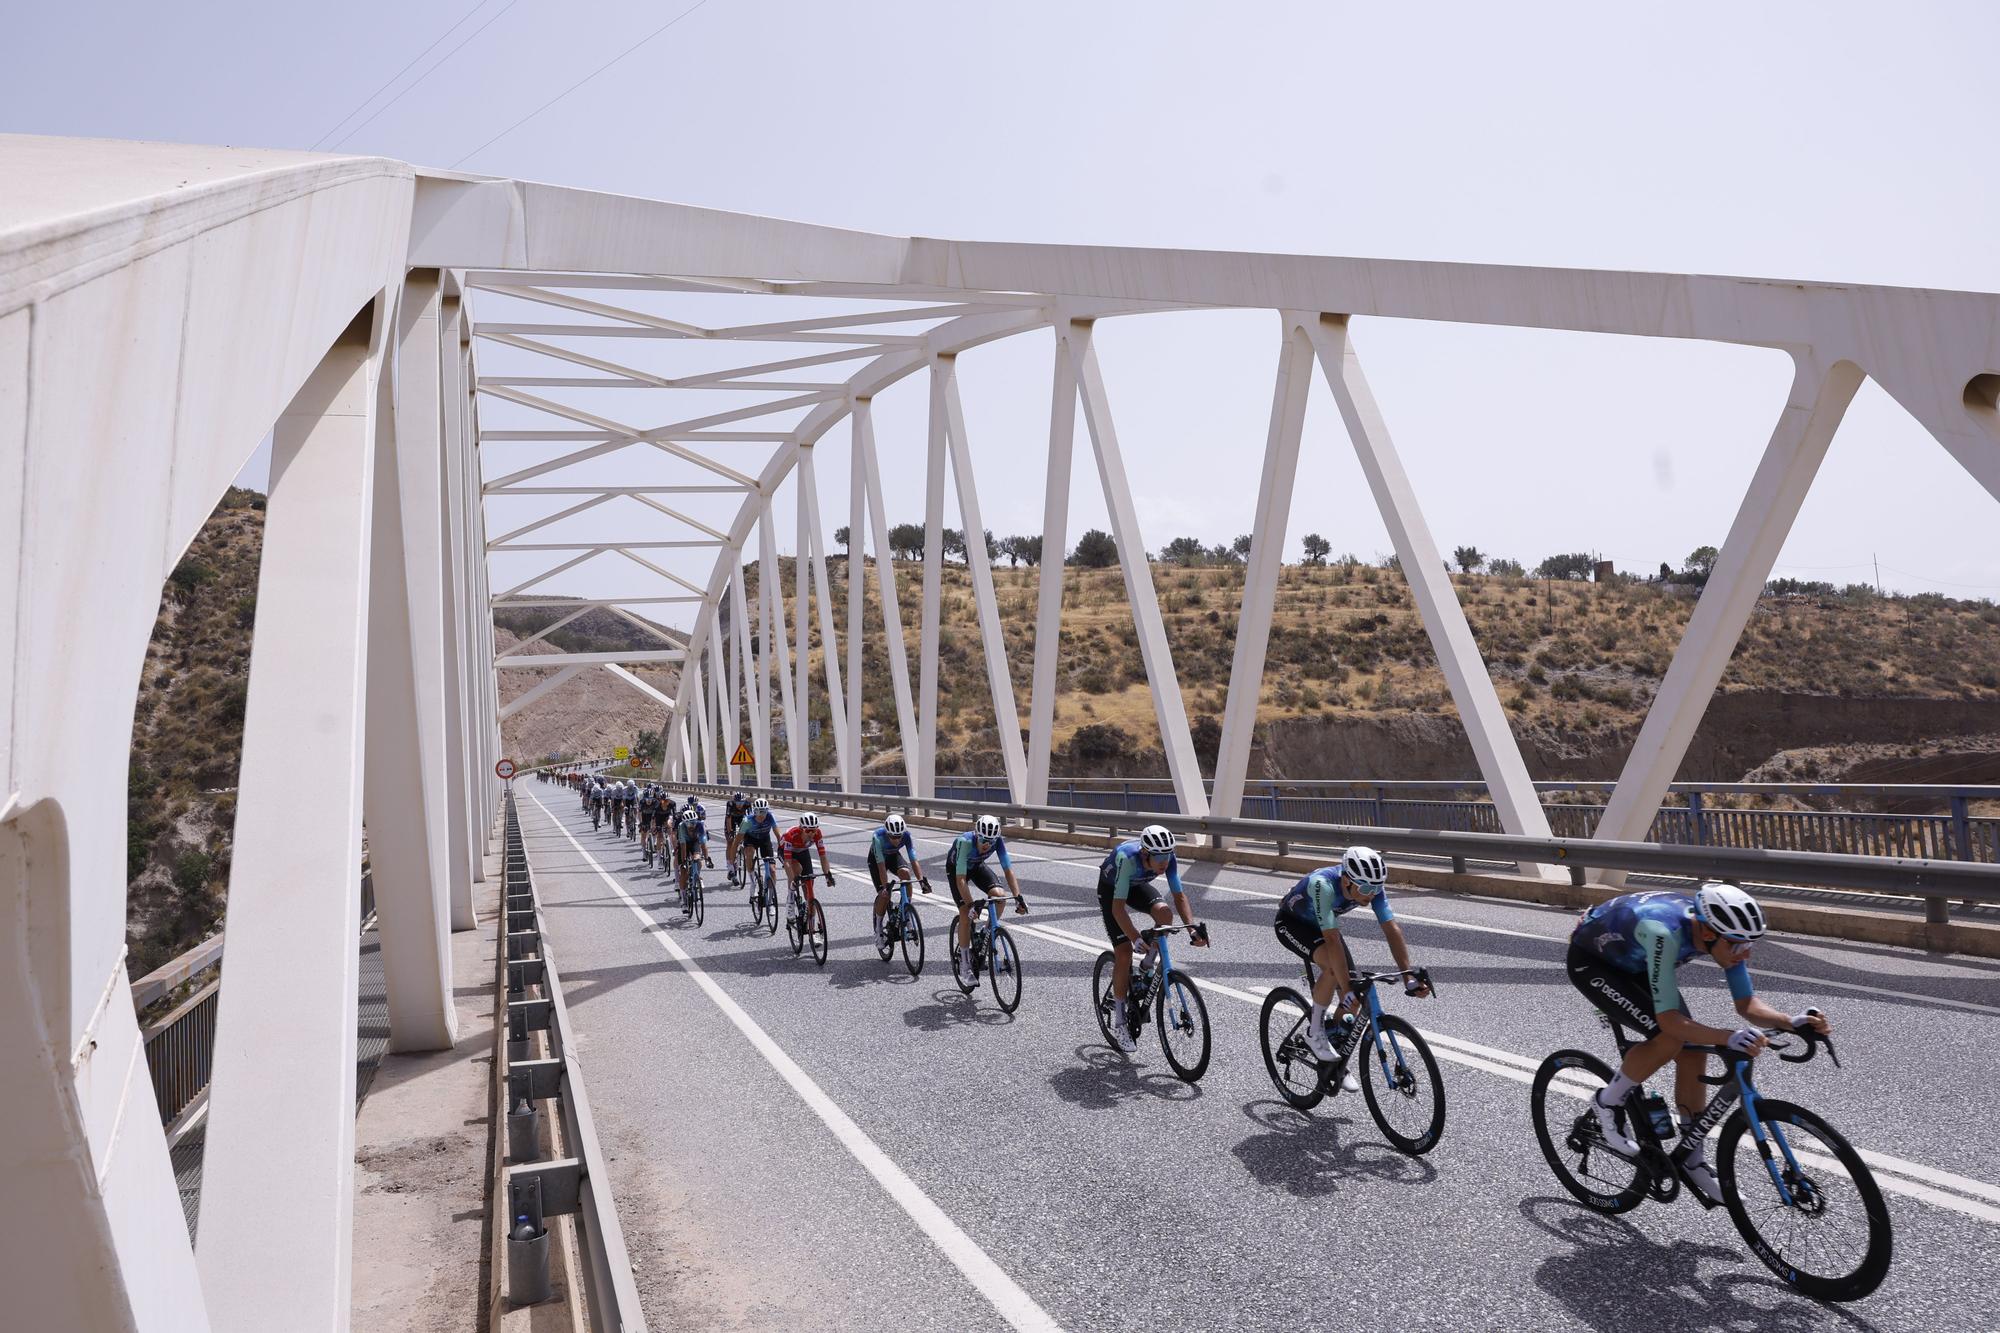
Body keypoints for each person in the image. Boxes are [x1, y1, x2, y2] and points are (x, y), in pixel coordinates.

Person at [1568, 884, 1829, 1204]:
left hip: (1638, 964)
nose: (1744, 953)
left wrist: (1791, 1021)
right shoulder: (1664, 933)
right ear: (1707, 933)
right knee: (1670, 1037)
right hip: (1595, 963)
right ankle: (1607, 1102)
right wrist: (1726, 1037)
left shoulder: (1724, 933)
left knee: (1693, 1053)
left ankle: (1693, 1161)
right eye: (1736, 945)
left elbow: (1747, 1004)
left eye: (1749, 944)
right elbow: (1669, 1023)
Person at [1273, 846, 1430, 1091]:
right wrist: (1346, 988)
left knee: (1353, 1000)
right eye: (1366, 889)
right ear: (1346, 880)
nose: (1371, 894)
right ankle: (1315, 1033)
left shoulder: (1371, 886)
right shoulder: (1322, 884)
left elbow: (1391, 928)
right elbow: (1332, 941)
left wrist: (1408, 975)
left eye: (1376, 888)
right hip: (1293, 924)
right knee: (1337, 975)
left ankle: (1334, 1063)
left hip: (1327, 926)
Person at [1098, 824, 1204, 1051]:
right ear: (1146, 853)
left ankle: (1147, 966)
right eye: (1159, 856)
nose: (1164, 861)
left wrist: (1192, 929)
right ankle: (1119, 1023)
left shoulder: (1169, 859)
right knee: (1124, 952)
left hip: (1136, 885)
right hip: (1111, 890)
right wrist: (1135, 937)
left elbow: (1179, 895)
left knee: (1165, 914)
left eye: (1167, 854)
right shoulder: (1128, 859)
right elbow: (1118, 910)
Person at [945, 815, 1027, 988]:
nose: (986, 845)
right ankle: (965, 965)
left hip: (976, 866)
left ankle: (986, 931)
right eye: (983, 840)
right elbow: (960, 880)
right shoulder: (965, 842)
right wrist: (970, 906)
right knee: (966, 916)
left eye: (991, 841)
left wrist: (1018, 897)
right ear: (976, 834)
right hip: (957, 871)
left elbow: (1008, 869)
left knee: (999, 896)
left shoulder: (997, 842)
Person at [867, 813, 929, 950]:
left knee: (906, 875)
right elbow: (881, 866)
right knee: (885, 894)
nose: (896, 840)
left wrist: (921, 881)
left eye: (899, 836)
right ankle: (878, 929)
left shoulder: (906, 835)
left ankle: (906, 910)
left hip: (893, 856)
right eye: (893, 837)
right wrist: (885, 887)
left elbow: (913, 859)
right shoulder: (878, 836)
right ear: (887, 833)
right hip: (878, 860)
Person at [777, 812, 833, 902]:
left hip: (802, 851)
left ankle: (811, 913)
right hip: (786, 852)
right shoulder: (791, 834)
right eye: (808, 831)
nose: (811, 834)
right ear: (801, 829)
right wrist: (793, 882)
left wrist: (828, 875)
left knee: (809, 888)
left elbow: (823, 856)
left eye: (813, 830)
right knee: (797, 869)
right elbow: (787, 862)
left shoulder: (818, 834)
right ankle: (790, 899)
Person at [736, 797, 781, 903]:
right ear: (754, 811)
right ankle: (752, 881)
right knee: (749, 853)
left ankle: (770, 899)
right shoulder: (748, 820)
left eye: (764, 811)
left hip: (764, 839)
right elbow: (739, 838)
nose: (761, 815)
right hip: (751, 839)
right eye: (758, 812)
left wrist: (782, 849)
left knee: (772, 870)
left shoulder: (770, 817)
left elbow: (778, 834)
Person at [673, 807, 712, 914]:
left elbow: (703, 845)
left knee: (697, 859)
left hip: (694, 842)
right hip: (684, 844)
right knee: (684, 872)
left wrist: (707, 858)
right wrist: (684, 861)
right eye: (689, 824)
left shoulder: (700, 825)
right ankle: (684, 899)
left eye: (693, 823)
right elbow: (683, 845)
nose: (691, 826)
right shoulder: (681, 827)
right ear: (684, 823)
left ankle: (697, 876)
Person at [723, 790, 753, 883]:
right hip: (731, 820)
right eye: (737, 802)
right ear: (734, 801)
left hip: (741, 819)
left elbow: (750, 818)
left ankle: (741, 851)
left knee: (747, 836)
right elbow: (728, 818)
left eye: (741, 802)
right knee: (730, 841)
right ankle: (730, 867)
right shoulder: (730, 804)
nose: (739, 805)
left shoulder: (747, 804)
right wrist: (730, 831)